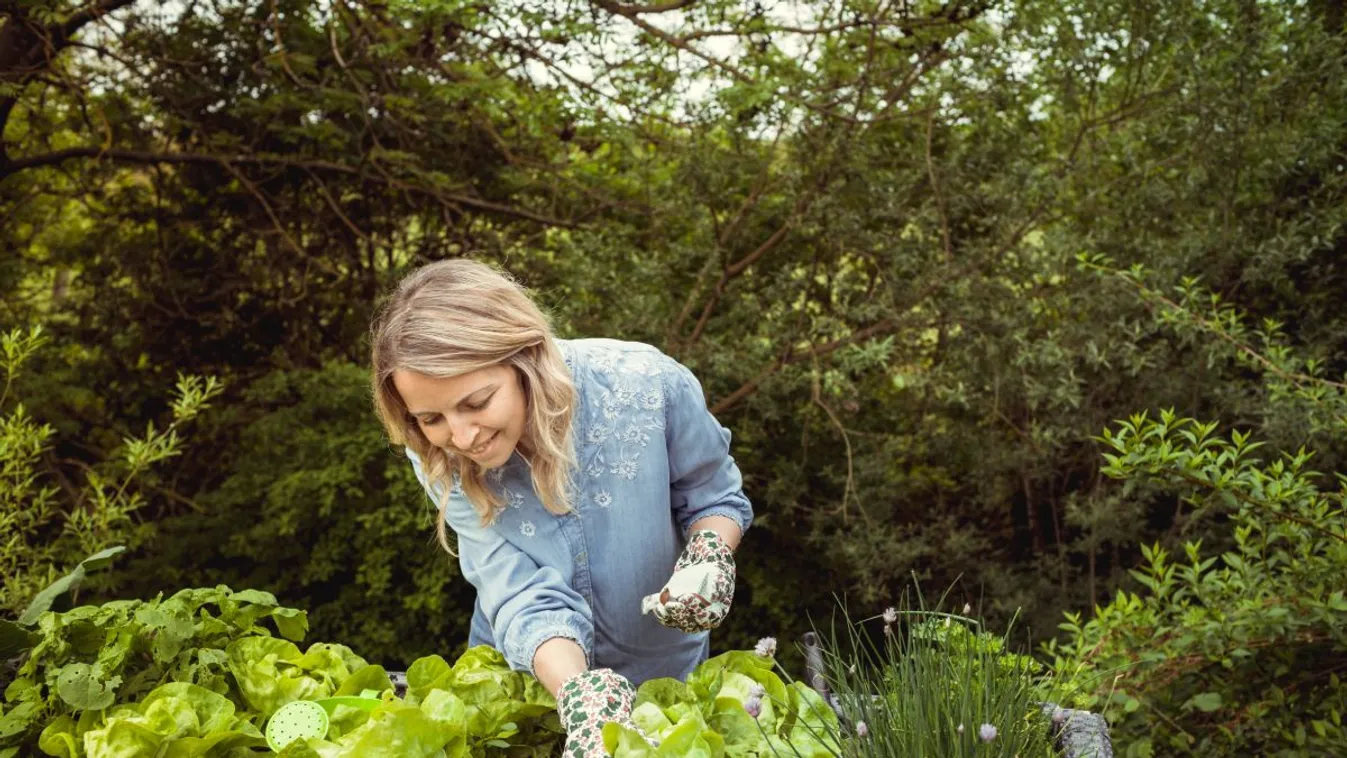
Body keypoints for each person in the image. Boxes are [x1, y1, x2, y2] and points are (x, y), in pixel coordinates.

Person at [368, 259, 753, 757]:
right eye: (431, 418)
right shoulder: (437, 453)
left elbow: (713, 495)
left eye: (477, 402)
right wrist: (581, 698)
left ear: (525, 357)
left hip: (663, 675)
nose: (462, 436)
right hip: (524, 685)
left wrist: (708, 555)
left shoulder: (649, 382)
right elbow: (515, 589)